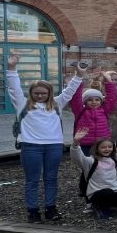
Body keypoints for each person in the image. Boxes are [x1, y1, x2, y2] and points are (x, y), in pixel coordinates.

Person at [7, 55, 83, 223]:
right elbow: (14, 88)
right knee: (32, 180)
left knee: (51, 178)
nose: (40, 96)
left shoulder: (57, 103)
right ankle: (33, 211)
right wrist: (11, 68)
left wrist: (79, 75)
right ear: (31, 94)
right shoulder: (22, 104)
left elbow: (70, 91)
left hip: (54, 146)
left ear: (49, 93)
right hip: (30, 147)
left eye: (43, 93)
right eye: (36, 93)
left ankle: (51, 208)